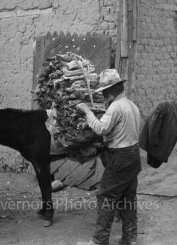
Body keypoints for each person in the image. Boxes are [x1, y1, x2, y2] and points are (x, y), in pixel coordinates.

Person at [76, 69, 141, 245]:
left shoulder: (116, 107)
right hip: (134, 156)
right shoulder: (131, 105)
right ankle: (130, 238)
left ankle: (99, 240)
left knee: (105, 196)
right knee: (128, 197)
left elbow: (101, 129)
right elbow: (119, 130)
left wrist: (87, 111)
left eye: (104, 93)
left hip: (120, 158)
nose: (104, 97)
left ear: (111, 91)